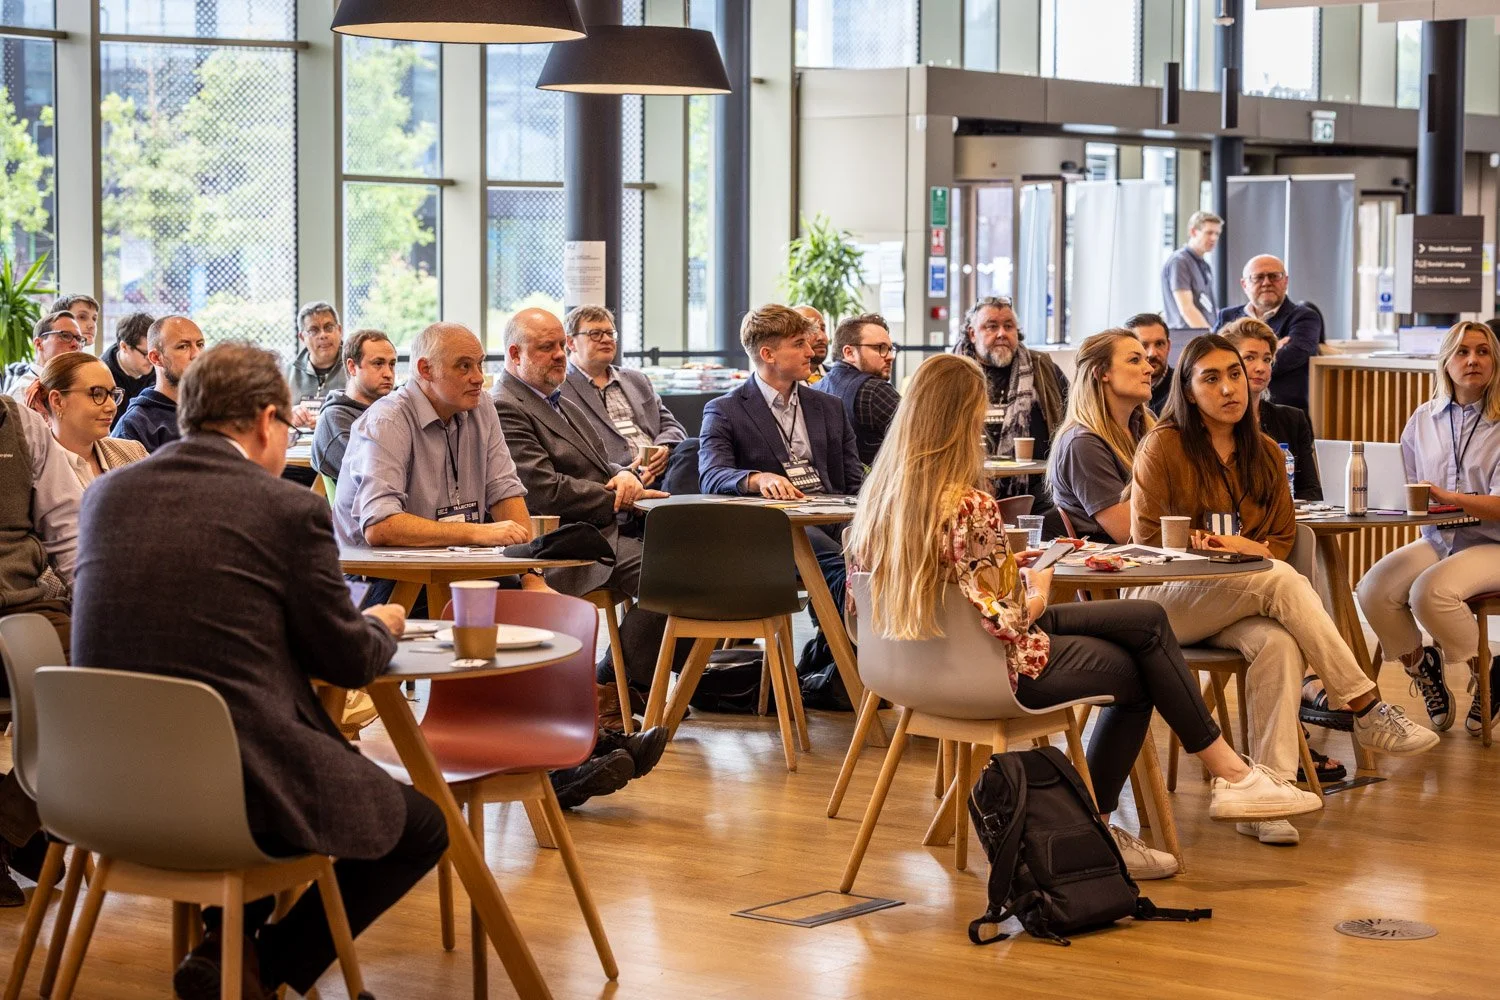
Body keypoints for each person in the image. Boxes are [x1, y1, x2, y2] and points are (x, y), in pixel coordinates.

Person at [846, 352, 1321, 880]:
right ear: (963, 422)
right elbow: (1010, 621)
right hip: (993, 669)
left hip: (911, 672)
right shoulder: (968, 505)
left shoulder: (876, 504)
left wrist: (1006, 568)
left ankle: (1231, 777)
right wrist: (1039, 589)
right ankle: (1112, 824)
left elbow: (873, 607)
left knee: (1145, 619)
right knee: (1137, 671)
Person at [71, 341, 447, 999]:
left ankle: (226, 948)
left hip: (104, 788)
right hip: (232, 791)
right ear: (269, 421)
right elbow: (348, 661)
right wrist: (383, 624)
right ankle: (264, 967)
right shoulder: (287, 508)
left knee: (256, 747)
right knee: (421, 826)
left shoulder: (105, 496)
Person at [1130, 334, 1438, 844]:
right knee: (1277, 578)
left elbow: (1280, 540)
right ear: (1187, 391)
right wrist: (1233, 550)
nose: (1229, 388)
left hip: (1236, 600)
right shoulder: (1162, 446)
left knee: (1277, 643)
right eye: (1211, 378)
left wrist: (1240, 548)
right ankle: (1365, 705)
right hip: (1164, 599)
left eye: (1234, 374)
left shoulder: (1268, 453)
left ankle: (1267, 797)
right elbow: (1148, 542)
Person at [336, 321, 659, 808]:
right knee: (490, 627)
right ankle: (558, 769)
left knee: (538, 613)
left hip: (462, 571)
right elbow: (380, 526)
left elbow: (508, 495)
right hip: (386, 583)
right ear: (425, 370)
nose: (477, 377)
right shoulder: (387, 422)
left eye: (480, 364)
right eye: (463, 366)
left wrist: (531, 574)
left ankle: (574, 742)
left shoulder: (480, 408)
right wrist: (477, 533)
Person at [494, 309, 682, 704]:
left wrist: (625, 476)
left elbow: (599, 463)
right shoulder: (505, 406)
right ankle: (613, 687)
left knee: (699, 565)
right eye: (546, 347)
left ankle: (620, 688)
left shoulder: (557, 399)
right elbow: (542, 491)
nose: (559, 354)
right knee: (674, 579)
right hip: (565, 541)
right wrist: (619, 496)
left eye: (561, 345)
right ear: (514, 354)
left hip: (606, 527)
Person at [1358, 320, 1500, 739]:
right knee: (1373, 589)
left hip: (1492, 542)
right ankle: (1422, 666)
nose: (1472, 360)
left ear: (1495, 361)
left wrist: (1448, 497)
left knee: (1429, 593)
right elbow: (1407, 485)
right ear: (1445, 362)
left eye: (1482, 351)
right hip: (1441, 537)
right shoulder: (1424, 418)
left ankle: (1489, 675)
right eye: (1461, 352)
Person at [0, 368, 84, 905]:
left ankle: (10, 825)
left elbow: (69, 527)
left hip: (24, 603)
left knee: (117, 671)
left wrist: (99, 608)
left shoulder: (21, 424)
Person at [951, 296, 1068, 503]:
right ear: (972, 334)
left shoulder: (1043, 368)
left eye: (1008, 326)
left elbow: (1070, 419)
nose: (1002, 334)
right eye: (991, 326)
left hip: (1038, 493)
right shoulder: (952, 373)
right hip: (965, 489)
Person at [559, 304, 687, 486]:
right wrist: (627, 474)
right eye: (595, 334)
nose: (606, 339)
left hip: (661, 471)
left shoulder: (637, 380)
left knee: (693, 448)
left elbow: (670, 425)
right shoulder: (560, 388)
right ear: (571, 342)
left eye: (610, 333)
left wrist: (664, 448)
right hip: (610, 479)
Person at [1047, 329, 1154, 543]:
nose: (1149, 369)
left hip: (1153, 556)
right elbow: (1130, 534)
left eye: (1146, 360)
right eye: (1134, 360)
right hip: (1113, 559)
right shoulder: (1082, 444)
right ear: (1101, 373)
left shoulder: (1147, 427)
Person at [1221, 316, 1321, 501]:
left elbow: (1311, 491)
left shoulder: (1293, 420)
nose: (1261, 367)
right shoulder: (1216, 422)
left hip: (1289, 516)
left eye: (1267, 359)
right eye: (1249, 358)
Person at [1215, 254, 1323, 413]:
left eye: (1274, 276)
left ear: (1285, 281)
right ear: (1244, 284)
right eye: (1258, 277)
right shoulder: (1226, 316)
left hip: (1283, 411)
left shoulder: (1305, 317)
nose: (1266, 283)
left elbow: (1292, 356)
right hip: (1231, 407)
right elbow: (1214, 358)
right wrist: (1275, 348)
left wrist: (1238, 359)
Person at [30, 352, 147, 487]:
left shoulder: (134, 453)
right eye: (97, 394)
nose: (112, 406)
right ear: (57, 401)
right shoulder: (34, 470)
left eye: (112, 395)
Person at [812, 312, 902, 466]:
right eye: (879, 348)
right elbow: (924, 438)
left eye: (889, 349)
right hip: (877, 480)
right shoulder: (874, 391)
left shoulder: (816, 389)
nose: (890, 356)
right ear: (849, 353)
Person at [311, 328, 396, 482]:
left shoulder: (392, 410)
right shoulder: (335, 419)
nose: (388, 374)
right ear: (352, 367)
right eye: (378, 364)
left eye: (392, 364)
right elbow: (371, 475)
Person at [112, 315, 204, 453]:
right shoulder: (135, 426)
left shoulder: (213, 408)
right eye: (183, 346)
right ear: (156, 358)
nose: (196, 354)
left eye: (200, 345)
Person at [287, 301, 349, 428]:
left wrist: (331, 420)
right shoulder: (286, 374)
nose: (323, 335)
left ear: (339, 330)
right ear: (302, 337)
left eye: (328, 327)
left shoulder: (356, 370)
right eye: (313, 330)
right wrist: (288, 415)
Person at [2, 311, 84, 403]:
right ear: (39, 344)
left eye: (79, 339)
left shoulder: (79, 387)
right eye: (65, 336)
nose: (76, 344)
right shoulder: (22, 392)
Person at [1160, 211, 1221, 330]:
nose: (1214, 238)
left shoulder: (1205, 265)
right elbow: (1187, 309)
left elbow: (1209, 307)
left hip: (1204, 334)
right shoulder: (1179, 262)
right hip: (1188, 336)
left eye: (1217, 233)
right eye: (1209, 232)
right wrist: (1210, 337)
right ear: (1193, 232)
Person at [100, 311, 156, 429]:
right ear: (124, 347)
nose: (152, 360)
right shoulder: (101, 375)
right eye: (145, 353)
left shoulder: (160, 370)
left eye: (154, 353)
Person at [1124, 312, 1174, 416]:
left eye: (1159, 344)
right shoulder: (1120, 389)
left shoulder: (1182, 388)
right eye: (1143, 345)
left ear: (1168, 346)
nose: (1152, 353)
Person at [793, 305, 830, 383]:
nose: (821, 337)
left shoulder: (840, 378)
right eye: (812, 330)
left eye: (823, 329)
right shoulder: (782, 383)